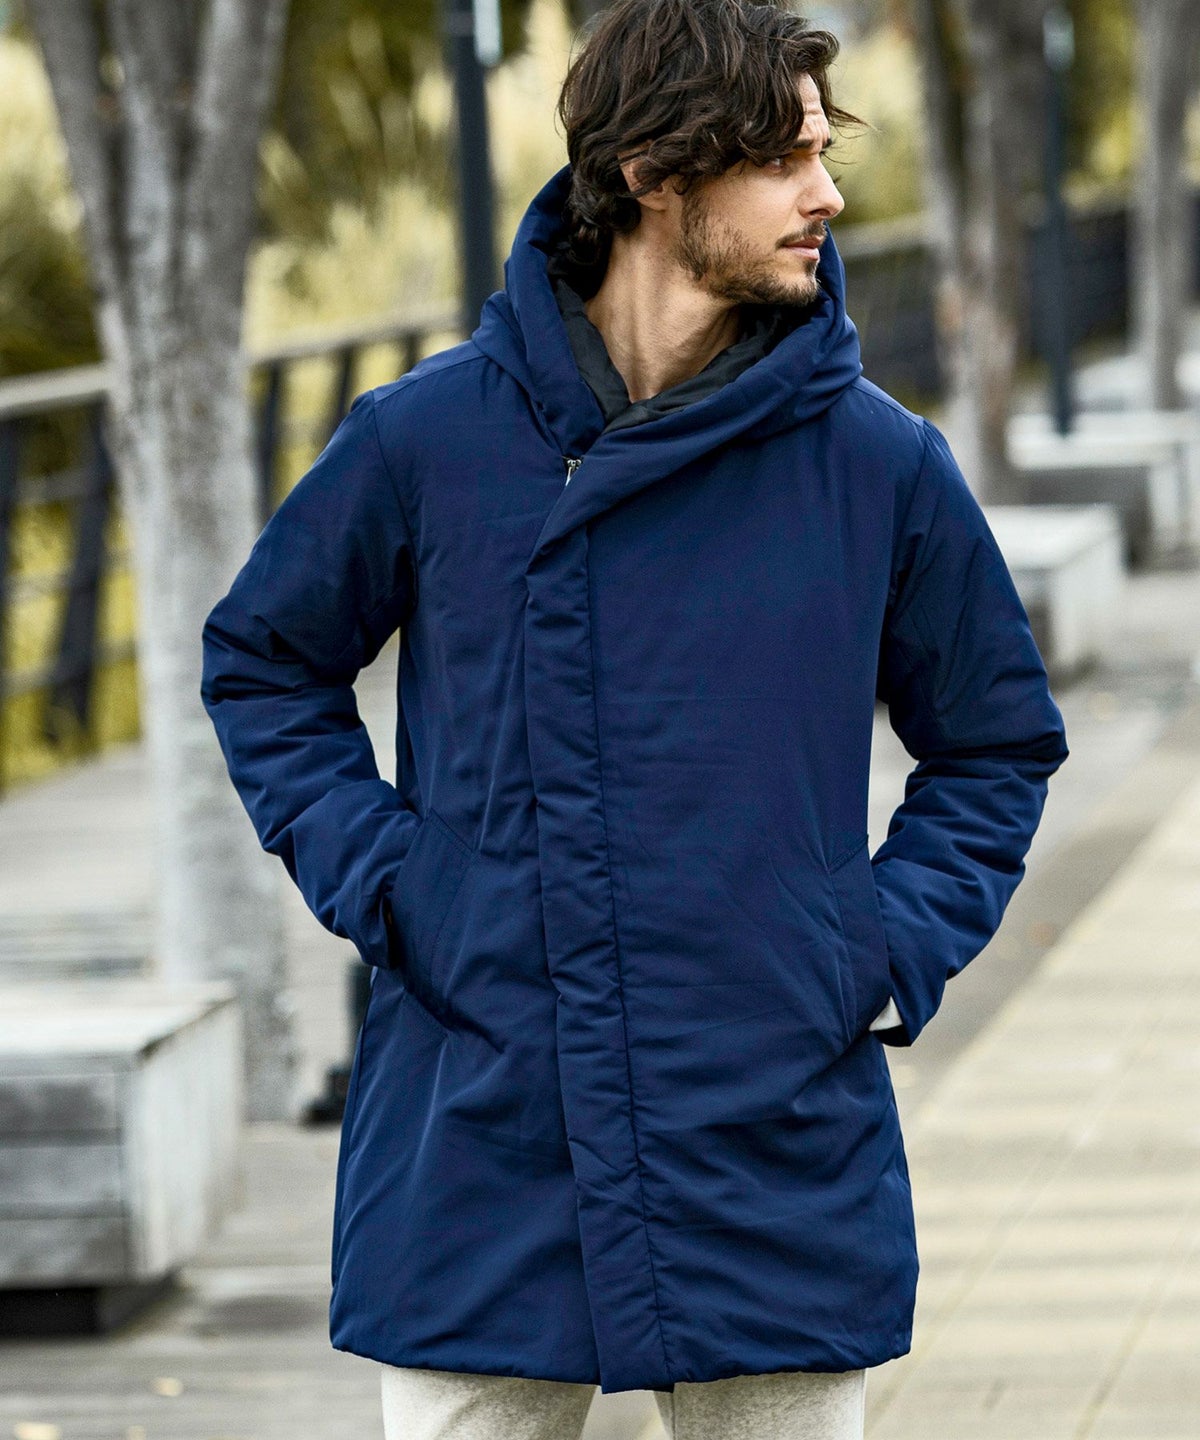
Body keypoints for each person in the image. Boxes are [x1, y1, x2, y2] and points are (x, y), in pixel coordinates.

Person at [200, 1, 1069, 1436]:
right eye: (784, 160)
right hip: (483, 1120)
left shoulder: (880, 465)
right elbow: (265, 664)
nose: (827, 196)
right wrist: (404, 885)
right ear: (655, 173)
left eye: (824, 154)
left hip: (770, 1127)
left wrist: (871, 947)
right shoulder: (427, 438)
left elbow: (994, 744)